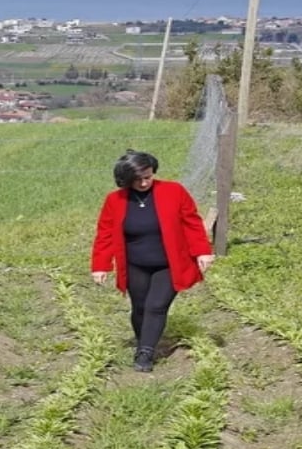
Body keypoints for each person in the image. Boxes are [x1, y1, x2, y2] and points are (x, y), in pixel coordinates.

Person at [90, 149, 214, 372]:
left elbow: (192, 222)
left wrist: (202, 251)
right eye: (138, 179)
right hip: (135, 264)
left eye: (148, 176)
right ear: (126, 179)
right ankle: (144, 340)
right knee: (139, 307)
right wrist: (100, 265)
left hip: (169, 263)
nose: (145, 183)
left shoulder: (173, 191)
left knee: (156, 306)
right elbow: (105, 233)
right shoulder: (115, 200)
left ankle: (145, 352)